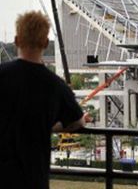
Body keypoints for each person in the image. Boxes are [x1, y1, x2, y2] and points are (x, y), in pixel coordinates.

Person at [0, 11, 85, 189]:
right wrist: (51, 126)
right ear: (46, 43)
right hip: (33, 179)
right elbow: (76, 122)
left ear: (16, 40)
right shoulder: (56, 86)